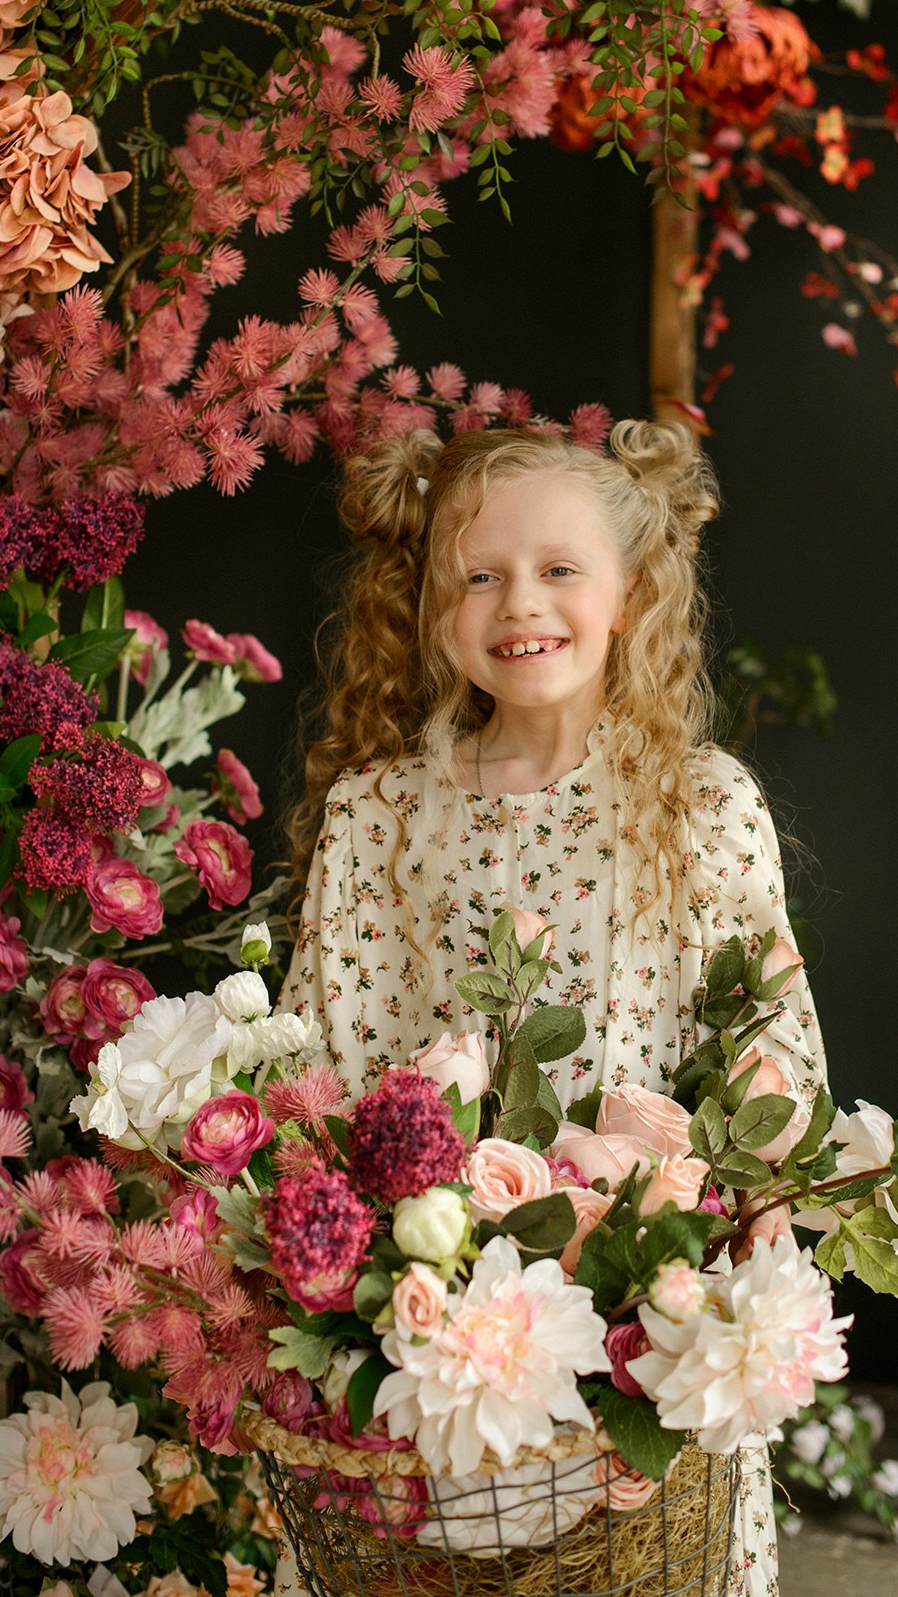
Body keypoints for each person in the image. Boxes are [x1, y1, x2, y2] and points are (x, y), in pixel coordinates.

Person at [279, 418, 825, 1597]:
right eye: (478, 575)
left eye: (559, 567)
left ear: (631, 593)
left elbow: (773, 1053)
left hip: (643, 1335)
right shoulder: (378, 817)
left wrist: (720, 1245)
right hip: (430, 1336)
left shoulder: (701, 805)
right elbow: (322, 1067)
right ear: (432, 605)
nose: (519, 602)